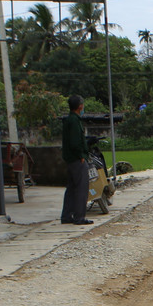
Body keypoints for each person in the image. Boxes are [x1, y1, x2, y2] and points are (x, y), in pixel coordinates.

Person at [60, 94, 93, 225]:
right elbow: (75, 142)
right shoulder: (74, 121)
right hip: (77, 159)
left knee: (72, 188)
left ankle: (67, 215)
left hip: (70, 159)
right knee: (81, 189)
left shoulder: (69, 120)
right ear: (80, 106)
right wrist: (81, 156)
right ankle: (79, 216)